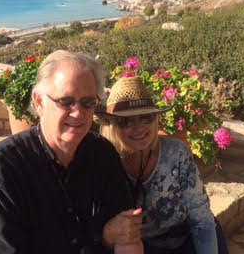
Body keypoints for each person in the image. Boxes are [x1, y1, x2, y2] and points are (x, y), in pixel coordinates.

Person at [0, 50, 143, 254]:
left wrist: (107, 235)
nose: (78, 113)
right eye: (66, 101)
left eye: (88, 103)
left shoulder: (102, 154)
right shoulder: (3, 170)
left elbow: (126, 234)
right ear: (40, 102)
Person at [97, 76, 229, 254]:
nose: (139, 127)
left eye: (146, 118)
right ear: (112, 125)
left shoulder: (176, 154)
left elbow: (201, 220)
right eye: (126, 121)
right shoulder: (103, 163)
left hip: (187, 241)